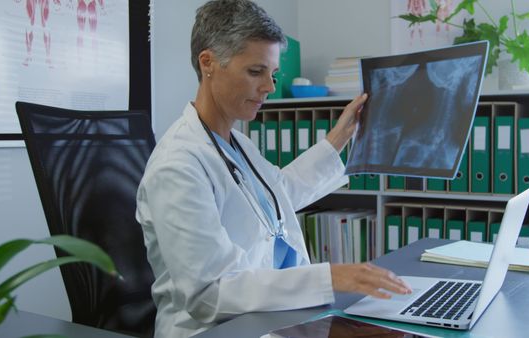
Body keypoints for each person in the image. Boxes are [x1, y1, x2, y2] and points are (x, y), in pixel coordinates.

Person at [135, 1, 411, 337]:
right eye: (255, 71)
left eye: (273, 74)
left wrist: (342, 136)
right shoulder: (177, 166)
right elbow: (208, 294)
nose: (269, 86)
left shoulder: (238, 144)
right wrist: (328, 278)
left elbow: (280, 193)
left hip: (278, 317)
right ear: (207, 63)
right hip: (218, 330)